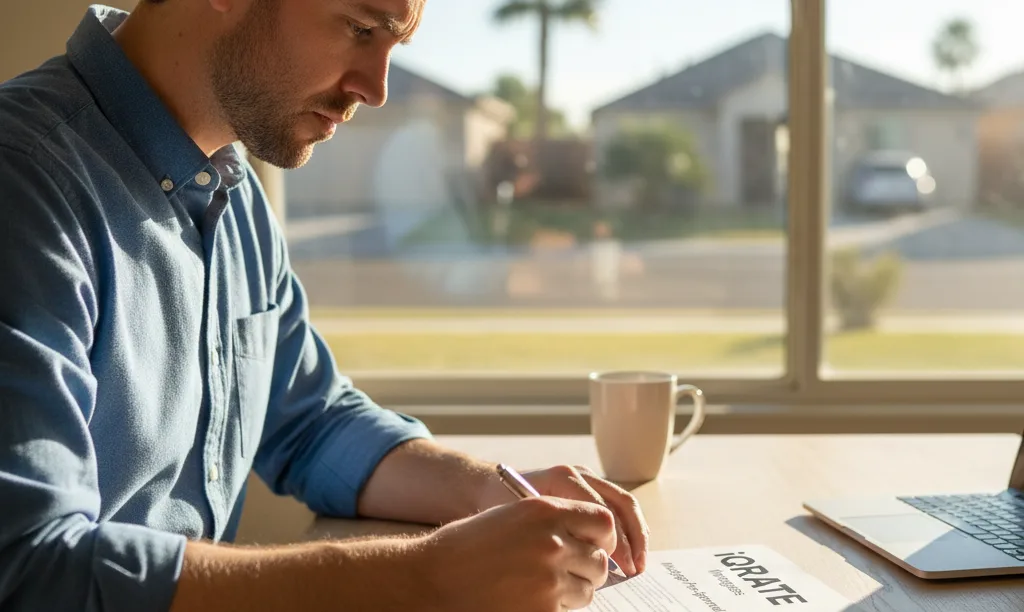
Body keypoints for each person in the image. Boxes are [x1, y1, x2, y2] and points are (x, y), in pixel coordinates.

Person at [0, 1, 650, 610]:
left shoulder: (232, 193)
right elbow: (31, 569)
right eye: (361, 29)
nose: (376, 88)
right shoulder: (23, 184)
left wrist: (494, 490)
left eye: (394, 44)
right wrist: (427, 577)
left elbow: (311, 423)